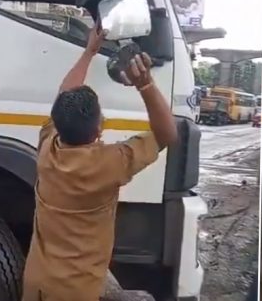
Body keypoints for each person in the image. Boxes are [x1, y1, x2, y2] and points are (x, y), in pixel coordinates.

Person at [21, 23, 178, 301]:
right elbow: (167, 134)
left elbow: (64, 93)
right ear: (98, 130)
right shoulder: (111, 163)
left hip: (36, 284)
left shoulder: (48, 147)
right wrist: (146, 85)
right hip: (76, 292)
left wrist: (89, 51)